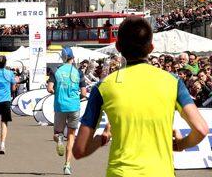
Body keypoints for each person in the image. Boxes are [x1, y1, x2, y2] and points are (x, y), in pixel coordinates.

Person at [73, 17, 209, 177]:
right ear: (151, 47)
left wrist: (102, 138)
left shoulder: (103, 87)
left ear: (118, 47)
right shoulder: (173, 82)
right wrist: (180, 145)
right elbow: (201, 129)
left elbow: (79, 150)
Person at [47, 47, 87, 175]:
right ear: (73, 58)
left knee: (57, 133)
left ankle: (59, 139)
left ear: (62, 58)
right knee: (71, 136)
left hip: (60, 106)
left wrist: (57, 92)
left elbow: (49, 88)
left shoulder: (56, 71)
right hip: (74, 106)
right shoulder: (78, 72)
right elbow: (84, 93)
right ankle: (67, 165)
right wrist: (77, 98)